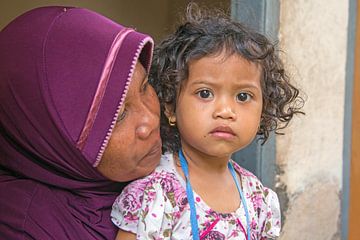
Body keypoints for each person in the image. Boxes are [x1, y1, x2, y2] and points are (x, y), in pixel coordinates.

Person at [111, 4, 304, 240]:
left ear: (263, 112)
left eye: (243, 96)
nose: (225, 111)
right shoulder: (154, 195)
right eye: (205, 93)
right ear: (170, 106)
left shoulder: (259, 200)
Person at [0, 6, 162, 239]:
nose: (151, 120)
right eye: (119, 116)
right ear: (52, 142)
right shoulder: (25, 226)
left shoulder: (176, 170)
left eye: (145, 86)